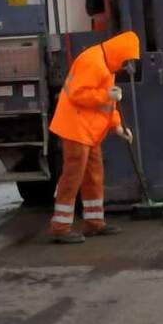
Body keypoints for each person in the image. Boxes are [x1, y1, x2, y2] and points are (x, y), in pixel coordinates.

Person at [48, 31, 139, 244]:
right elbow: (78, 95)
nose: (126, 66)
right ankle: (60, 227)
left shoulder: (107, 66)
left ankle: (94, 223)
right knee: (73, 176)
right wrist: (106, 95)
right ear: (120, 53)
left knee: (94, 174)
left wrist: (117, 126)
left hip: (88, 131)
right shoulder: (93, 62)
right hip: (75, 127)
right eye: (126, 60)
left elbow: (108, 105)